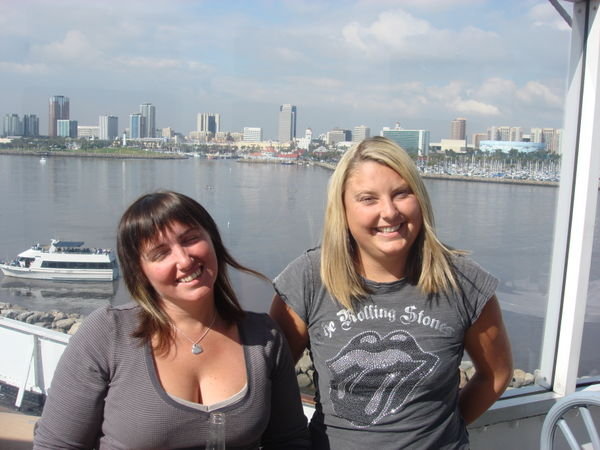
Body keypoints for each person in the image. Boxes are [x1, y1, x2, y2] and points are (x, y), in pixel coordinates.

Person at [270, 137, 513, 449]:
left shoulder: (465, 283)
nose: (389, 212)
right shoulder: (308, 279)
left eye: (401, 193)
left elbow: (497, 373)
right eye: (368, 199)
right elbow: (272, 380)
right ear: (342, 209)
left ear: (420, 198)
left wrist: (440, 432)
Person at [34, 191, 309, 449]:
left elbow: (290, 442)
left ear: (213, 240)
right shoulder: (107, 335)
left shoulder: (263, 337)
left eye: (190, 239)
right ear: (140, 272)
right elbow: (56, 445)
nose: (184, 260)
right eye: (160, 253)